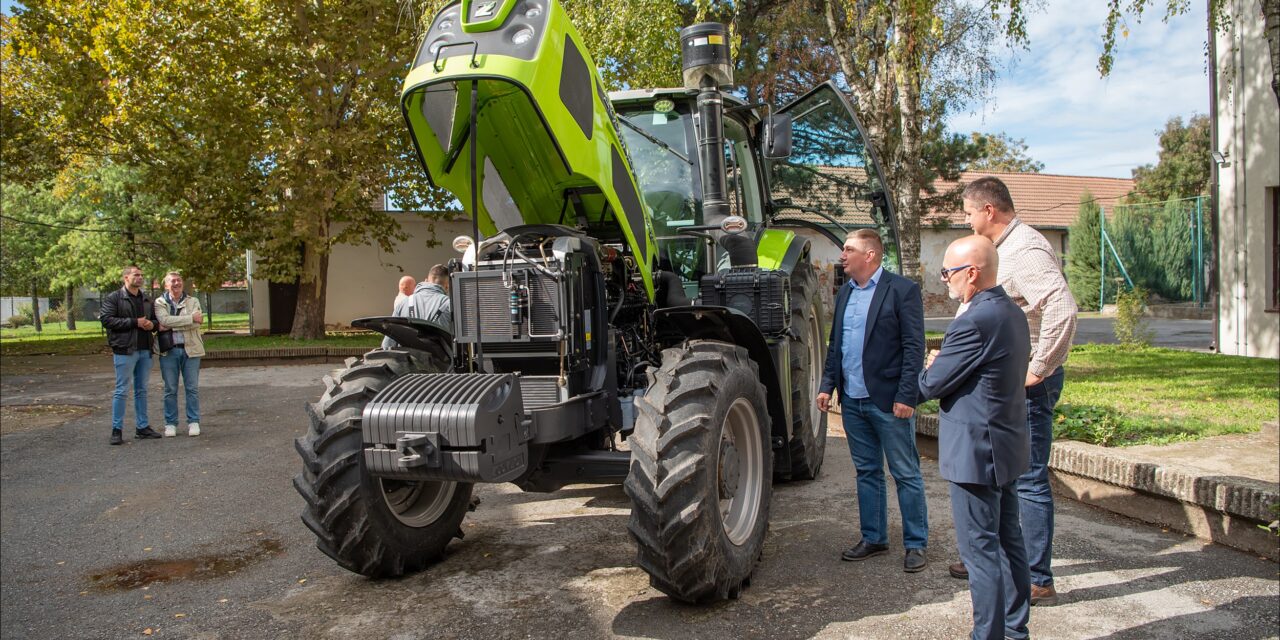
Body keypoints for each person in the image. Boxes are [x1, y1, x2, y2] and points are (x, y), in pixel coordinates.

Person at [950, 176, 1078, 606]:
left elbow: (1060, 305)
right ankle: (988, 556)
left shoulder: (1023, 250)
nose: (965, 220)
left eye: (968, 212)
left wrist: (1039, 368)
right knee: (1000, 471)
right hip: (1004, 380)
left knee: (1027, 477)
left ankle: (1038, 577)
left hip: (1026, 383)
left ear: (989, 211)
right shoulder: (1002, 250)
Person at [919, 235, 1032, 640]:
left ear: (972, 273)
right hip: (1005, 445)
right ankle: (1016, 631)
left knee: (980, 552)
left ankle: (988, 635)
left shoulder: (973, 321)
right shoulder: (1012, 314)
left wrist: (931, 366)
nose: (944, 280)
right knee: (1009, 543)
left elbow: (930, 385)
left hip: (975, 453)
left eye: (948, 272)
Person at [816, 229, 928, 573]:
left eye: (849, 250)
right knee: (867, 472)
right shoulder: (846, 292)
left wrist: (907, 395)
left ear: (871, 255)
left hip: (889, 401)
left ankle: (915, 544)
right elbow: (837, 345)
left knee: (905, 472)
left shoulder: (903, 290)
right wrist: (827, 385)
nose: (842, 255)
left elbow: (914, 347)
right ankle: (874, 537)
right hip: (853, 399)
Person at [99, 265, 162, 445]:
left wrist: (152, 325)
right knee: (122, 390)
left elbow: (156, 322)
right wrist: (135, 322)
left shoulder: (147, 299)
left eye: (142, 275)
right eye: (136, 275)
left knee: (142, 389)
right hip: (125, 350)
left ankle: (142, 427)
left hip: (145, 350)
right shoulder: (114, 298)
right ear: (126, 277)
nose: (140, 278)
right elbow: (107, 320)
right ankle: (116, 429)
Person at [155, 271, 205, 437]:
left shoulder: (193, 300)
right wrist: (189, 318)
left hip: (191, 350)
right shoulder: (160, 302)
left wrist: (172, 323)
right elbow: (163, 321)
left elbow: (196, 323)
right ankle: (170, 423)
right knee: (170, 389)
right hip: (169, 350)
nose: (176, 283)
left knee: (192, 388)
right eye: (172, 281)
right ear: (166, 285)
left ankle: (193, 422)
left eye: (178, 280)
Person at [381, 264, 453, 349]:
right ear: (447, 286)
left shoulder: (403, 303)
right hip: (440, 361)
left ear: (426, 280)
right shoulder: (450, 305)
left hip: (407, 361)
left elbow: (388, 344)